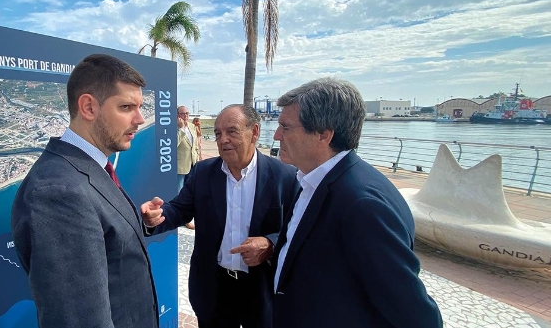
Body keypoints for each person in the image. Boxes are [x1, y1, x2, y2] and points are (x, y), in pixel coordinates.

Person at [271, 78, 442, 328]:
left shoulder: (362, 204)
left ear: (323, 135)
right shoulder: (312, 179)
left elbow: (416, 314)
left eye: (285, 128)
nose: (276, 136)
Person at [11, 54, 159, 328]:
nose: (140, 119)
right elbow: (79, 320)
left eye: (140, 107)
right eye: (127, 107)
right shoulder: (58, 192)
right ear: (89, 107)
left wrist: (139, 223)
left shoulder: (88, 168)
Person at [141, 104, 298, 328]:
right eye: (217, 133)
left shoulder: (285, 176)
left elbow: (297, 229)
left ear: (254, 131)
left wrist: (270, 243)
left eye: (231, 131)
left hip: (261, 289)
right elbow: (180, 209)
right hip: (214, 288)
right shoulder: (203, 172)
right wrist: (156, 217)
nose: (223, 139)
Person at [177, 105, 199, 229]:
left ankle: (188, 216)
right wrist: (180, 130)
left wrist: (198, 158)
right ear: (178, 115)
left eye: (187, 113)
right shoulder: (175, 127)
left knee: (191, 192)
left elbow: (195, 145)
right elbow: (173, 145)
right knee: (180, 193)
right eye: (183, 113)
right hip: (180, 166)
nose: (185, 116)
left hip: (193, 164)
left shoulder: (192, 126)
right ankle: (182, 219)